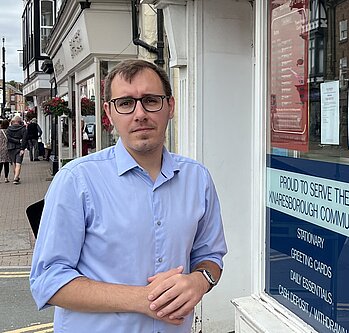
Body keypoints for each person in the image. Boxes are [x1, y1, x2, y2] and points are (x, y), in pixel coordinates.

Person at [30, 59, 227, 333]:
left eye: (151, 100)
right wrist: (142, 300)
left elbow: (211, 255)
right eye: (126, 103)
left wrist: (199, 280)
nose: (140, 114)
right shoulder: (77, 180)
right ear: (109, 112)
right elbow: (48, 280)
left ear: (170, 107)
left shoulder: (198, 179)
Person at [6, 116, 27, 185]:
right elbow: (24, 140)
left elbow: (8, 138)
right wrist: (22, 148)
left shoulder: (8, 129)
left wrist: (15, 140)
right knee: (18, 163)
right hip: (19, 148)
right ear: (19, 121)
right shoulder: (23, 129)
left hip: (10, 148)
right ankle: (16, 178)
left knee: (13, 163)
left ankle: (16, 176)